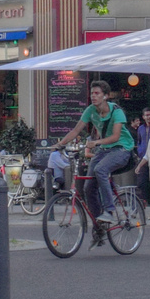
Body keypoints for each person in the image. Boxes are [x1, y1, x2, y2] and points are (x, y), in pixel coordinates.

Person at [54, 79, 134, 227]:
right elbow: (76, 130)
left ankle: (109, 211)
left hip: (122, 149)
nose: (93, 96)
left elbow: (116, 137)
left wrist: (96, 142)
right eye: (92, 93)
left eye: (97, 93)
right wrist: (60, 144)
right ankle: (99, 224)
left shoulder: (117, 112)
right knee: (88, 187)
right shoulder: (90, 110)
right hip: (104, 150)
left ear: (106, 96)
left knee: (100, 169)